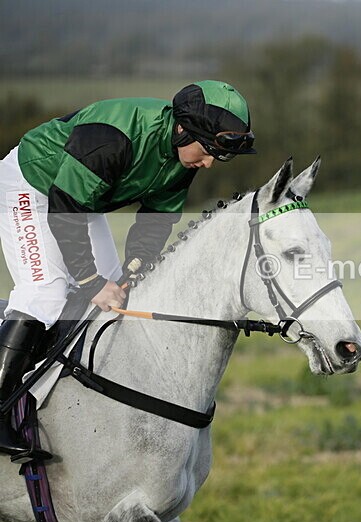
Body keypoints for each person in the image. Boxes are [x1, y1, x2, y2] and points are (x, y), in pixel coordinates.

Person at [0, 80, 256, 458]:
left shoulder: (182, 158)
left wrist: (129, 274)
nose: (207, 163)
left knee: (115, 302)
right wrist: (90, 281)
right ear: (183, 129)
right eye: (207, 151)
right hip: (33, 186)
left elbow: (154, 224)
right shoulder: (114, 139)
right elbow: (65, 208)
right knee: (47, 294)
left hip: (78, 201)